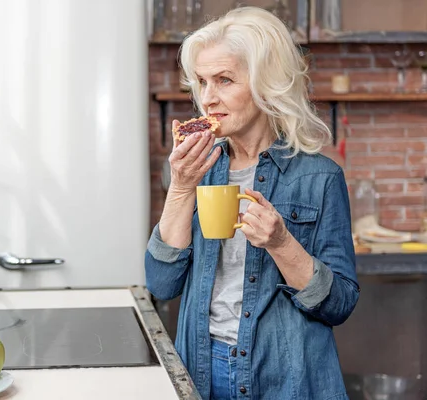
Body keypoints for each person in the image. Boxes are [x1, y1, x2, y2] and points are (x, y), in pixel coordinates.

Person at [145, 6, 359, 400]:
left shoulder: (320, 177)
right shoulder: (195, 168)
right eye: (202, 82)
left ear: (266, 84)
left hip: (287, 377)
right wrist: (180, 189)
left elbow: (339, 304)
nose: (208, 99)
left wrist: (282, 244)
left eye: (224, 80)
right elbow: (162, 284)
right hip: (202, 370)